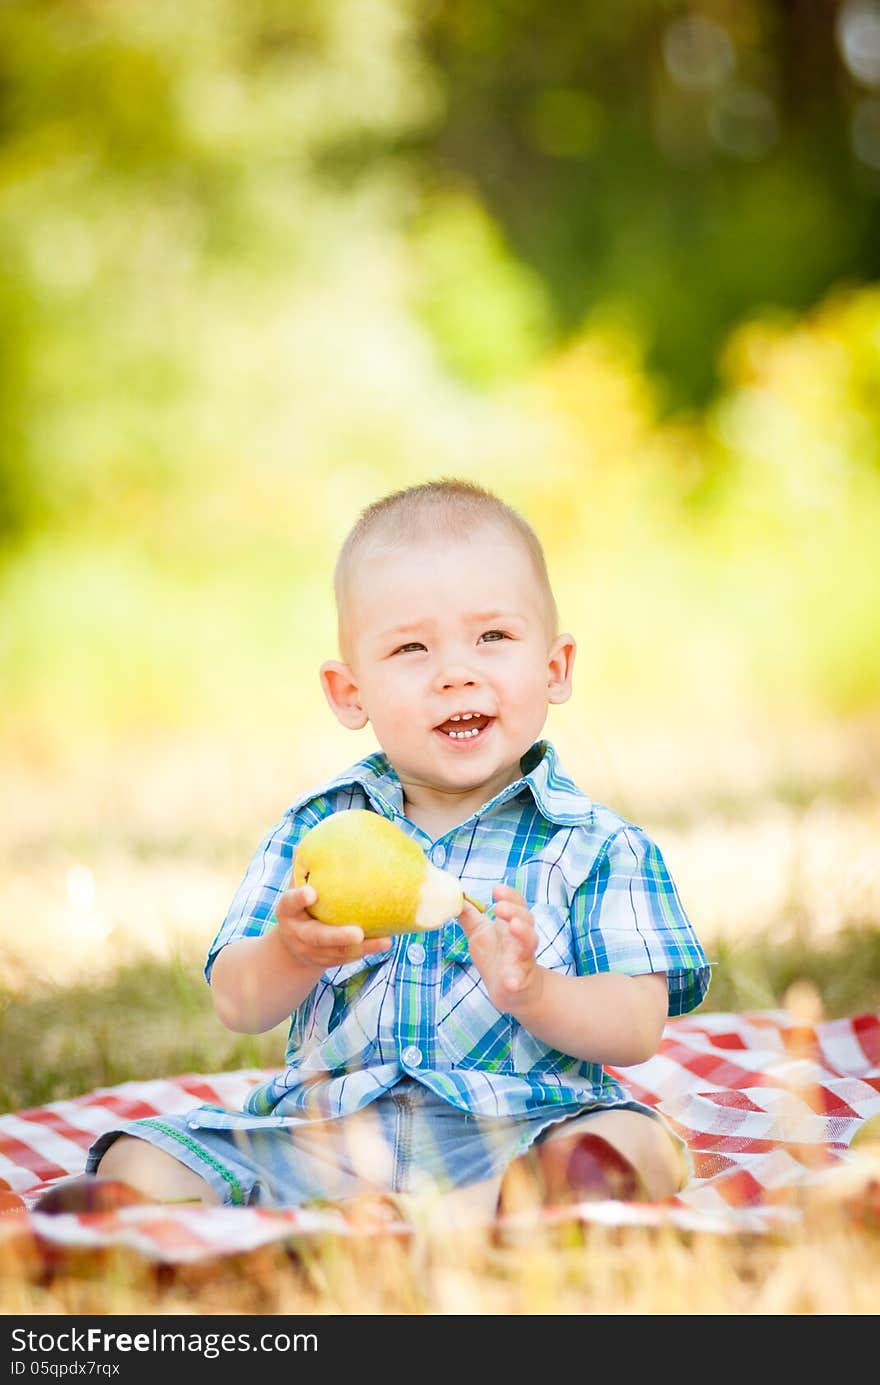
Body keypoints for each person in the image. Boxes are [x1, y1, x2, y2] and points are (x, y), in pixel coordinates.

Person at [37, 479, 710, 1225]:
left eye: (492, 637)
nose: (456, 671)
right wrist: (291, 952)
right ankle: (143, 1217)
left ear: (554, 668)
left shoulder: (596, 845)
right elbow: (236, 1001)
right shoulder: (319, 831)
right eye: (411, 647)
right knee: (142, 1149)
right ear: (348, 690)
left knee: (634, 1141)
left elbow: (637, 1024)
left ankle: (483, 1212)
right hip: (326, 1136)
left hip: (516, 1131)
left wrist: (535, 991)